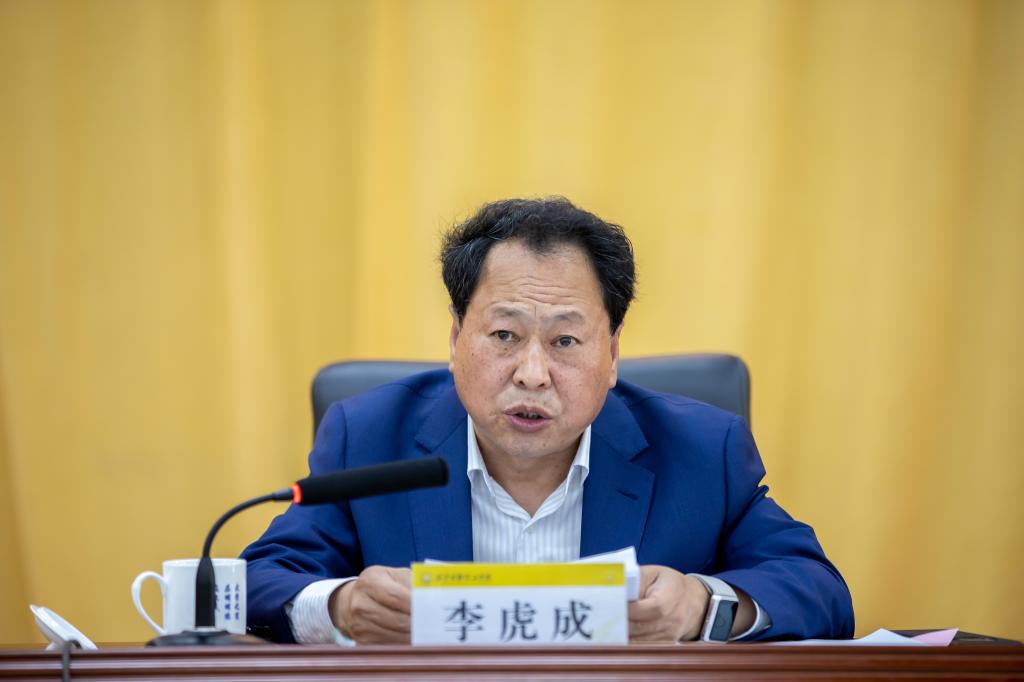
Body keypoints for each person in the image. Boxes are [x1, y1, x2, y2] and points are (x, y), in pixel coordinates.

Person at [242, 197, 855, 644]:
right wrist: (340, 605)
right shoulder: (371, 437)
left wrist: (704, 606)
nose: (532, 374)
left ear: (611, 354)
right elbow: (254, 583)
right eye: (504, 335)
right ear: (456, 340)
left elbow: (818, 589)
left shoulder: (700, 451)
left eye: (565, 341)